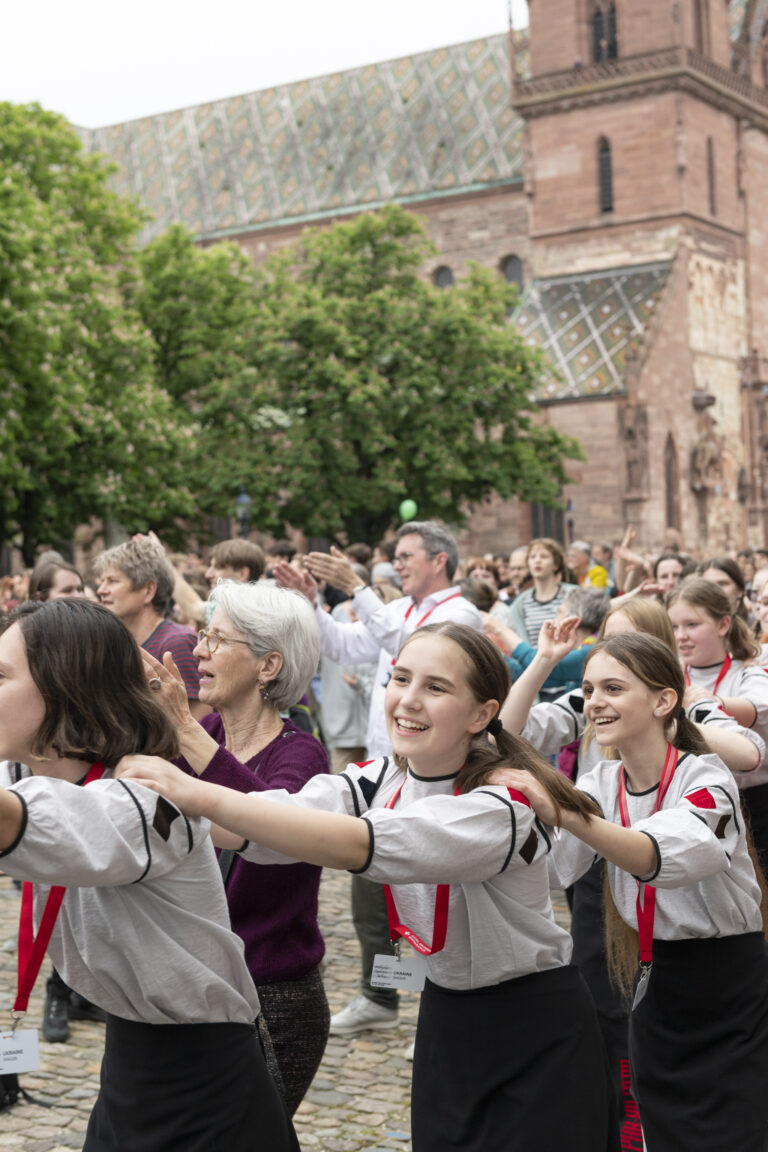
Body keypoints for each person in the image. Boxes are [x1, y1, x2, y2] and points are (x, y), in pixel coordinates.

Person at [119, 622, 615, 1152]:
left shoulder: (504, 804)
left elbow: (362, 844)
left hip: (530, 1021)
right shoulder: (379, 779)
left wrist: (197, 792)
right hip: (447, 1015)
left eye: (436, 687)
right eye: (401, 679)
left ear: (482, 714)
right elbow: (274, 825)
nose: (409, 701)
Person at [0, 599, 297, 1151]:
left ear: (64, 688)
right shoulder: (27, 767)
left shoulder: (148, 794)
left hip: (203, 1080)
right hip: (130, 1064)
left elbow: (48, 821)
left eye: (0, 675)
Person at [497, 632, 768, 1152]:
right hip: (655, 984)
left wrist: (565, 811)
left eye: (613, 688)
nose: (595, 702)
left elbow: (659, 857)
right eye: (589, 689)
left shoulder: (706, 776)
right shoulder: (601, 782)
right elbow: (552, 867)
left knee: (727, 1136)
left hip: (726, 987)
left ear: (664, 700)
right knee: (659, 1132)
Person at [275, 519, 482, 1036]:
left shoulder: (460, 612)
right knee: (371, 886)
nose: (399, 564)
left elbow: (418, 646)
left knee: (437, 893)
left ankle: (440, 1012)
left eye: (408, 555)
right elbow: (346, 645)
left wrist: (359, 587)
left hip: (440, 775)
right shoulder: (404, 609)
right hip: (386, 766)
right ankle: (380, 993)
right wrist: (311, 603)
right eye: (396, 555)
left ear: (440, 560)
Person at [141, 580, 330, 1115]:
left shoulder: (303, 756)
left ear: (268, 666)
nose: (198, 650)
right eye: (202, 634)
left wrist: (182, 726)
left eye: (217, 639)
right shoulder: (210, 734)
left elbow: (270, 824)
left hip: (271, 998)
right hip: (200, 987)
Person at [668, 576, 768, 874]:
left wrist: (708, 702)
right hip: (688, 801)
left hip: (754, 804)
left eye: (692, 625)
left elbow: (757, 708)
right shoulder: (668, 676)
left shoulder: (748, 669)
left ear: (723, 625)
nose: (681, 636)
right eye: (673, 627)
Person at [95, 536, 205, 719]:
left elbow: (201, 726)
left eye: (112, 581)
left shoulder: (178, 643)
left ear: (148, 591)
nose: (101, 590)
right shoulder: (115, 646)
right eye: (102, 581)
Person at [509, 536, 578, 646]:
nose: (537, 560)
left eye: (544, 556)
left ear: (556, 564)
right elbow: (522, 642)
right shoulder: (520, 603)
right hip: (534, 659)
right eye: (532, 557)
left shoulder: (573, 593)